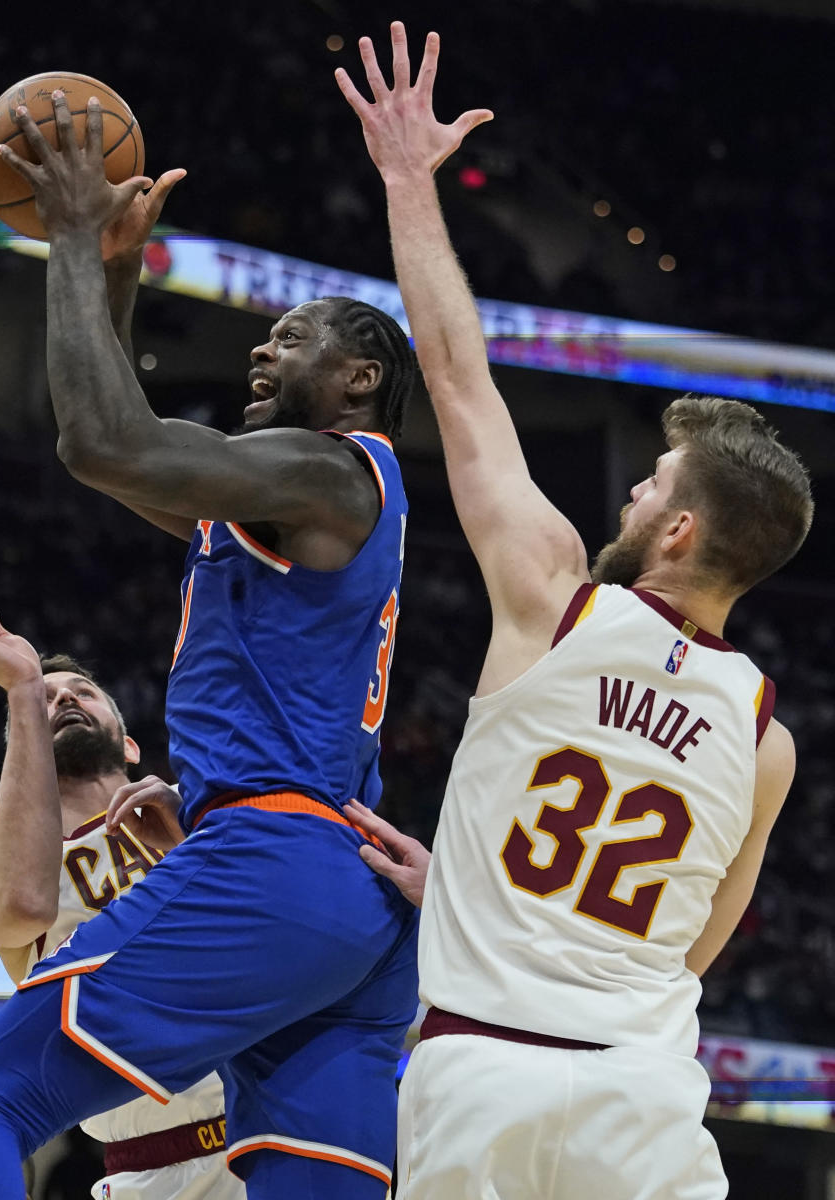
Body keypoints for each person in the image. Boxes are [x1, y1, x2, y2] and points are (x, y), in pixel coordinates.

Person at [336, 23, 813, 1200]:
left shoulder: (553, 595)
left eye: (653, 486)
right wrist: (465, 882)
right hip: (640, 1101)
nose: (636, 491)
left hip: (478, 1078)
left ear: (681, 530)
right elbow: (690, 944)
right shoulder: (765, 739)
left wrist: (406, 179)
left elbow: (453, 372)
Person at [0, 92, 419, 1200]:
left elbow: (103, 440)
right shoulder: (285, 506)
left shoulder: (332, 470)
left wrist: (61, 235)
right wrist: (115, 272)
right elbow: (123, 451)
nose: (261, 347)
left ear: (359, 380)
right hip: (354, 901)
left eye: (292, 337)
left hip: (274, 855)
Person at [0, 591, 244, 1200]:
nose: (62, 701)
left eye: (80, 694)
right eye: (45, 700)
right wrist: (22, 691)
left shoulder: (206, 817)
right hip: (155, 1169)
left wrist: (192, 839)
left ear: (129, 745)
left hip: (279, 1133)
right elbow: (24, 908)